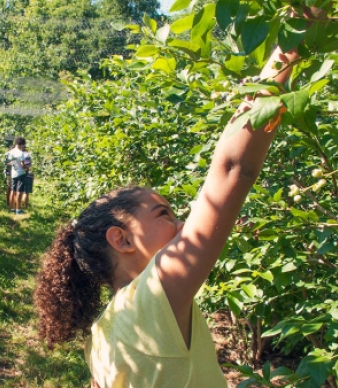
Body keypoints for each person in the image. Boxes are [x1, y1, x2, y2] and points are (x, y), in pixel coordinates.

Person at [34, 26, 308, 388]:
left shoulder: (103, 332)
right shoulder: (153, 296)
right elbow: (232, 170)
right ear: (121, 239)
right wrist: (295, 36)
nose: (182, 227)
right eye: (163, 214)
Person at [7, 136, 27, 215]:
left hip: (13, 173)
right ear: (22, 144)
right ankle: (18, 210)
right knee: (19, 192)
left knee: (13, 190)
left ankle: (12, 208)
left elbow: (8, 163)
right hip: (21, 173)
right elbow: (22, 164)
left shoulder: (10, 152)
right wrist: (27, 168)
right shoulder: (21, 153)